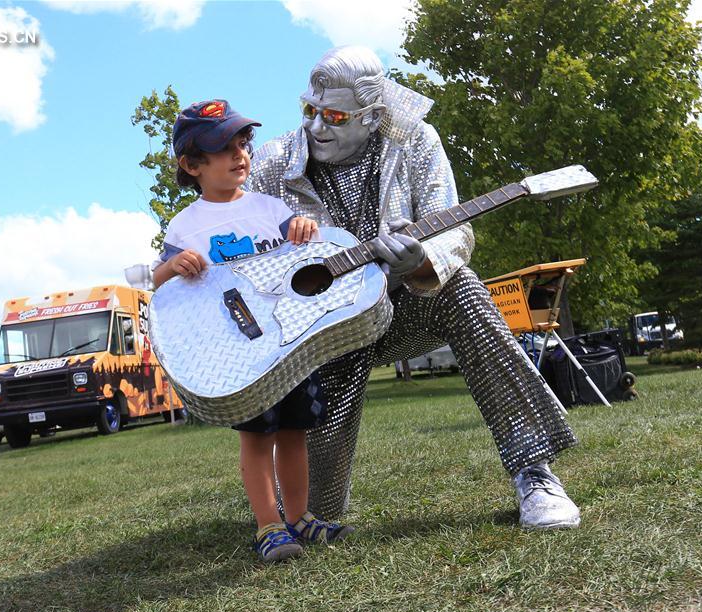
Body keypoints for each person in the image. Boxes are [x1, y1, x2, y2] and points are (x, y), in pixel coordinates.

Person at [245, 46, 581, 530]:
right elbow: (230, 240)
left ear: (373, 116)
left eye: (335, 116)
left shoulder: (417, 142)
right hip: (314, 340)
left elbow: (454, 230)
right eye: (310, 111)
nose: (317, 127)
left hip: (402, 309)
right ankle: (287, 500)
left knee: (462, 290)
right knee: (313, 511)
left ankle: (534, 471)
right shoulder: (271, 162)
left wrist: (424, 259)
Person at [151, 99, 354, 561]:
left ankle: (299, 518)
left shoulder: (269, 207)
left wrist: (305, 225)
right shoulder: (186, 224)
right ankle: (268, 525)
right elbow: (155, 284)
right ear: (192, 164)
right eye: (224, 148)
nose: (240, 154)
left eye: (243, 143)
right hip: (239, 353)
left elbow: (301, 252)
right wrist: (171, 268)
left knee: (295, 431)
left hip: (289, 340)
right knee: (258, 437)